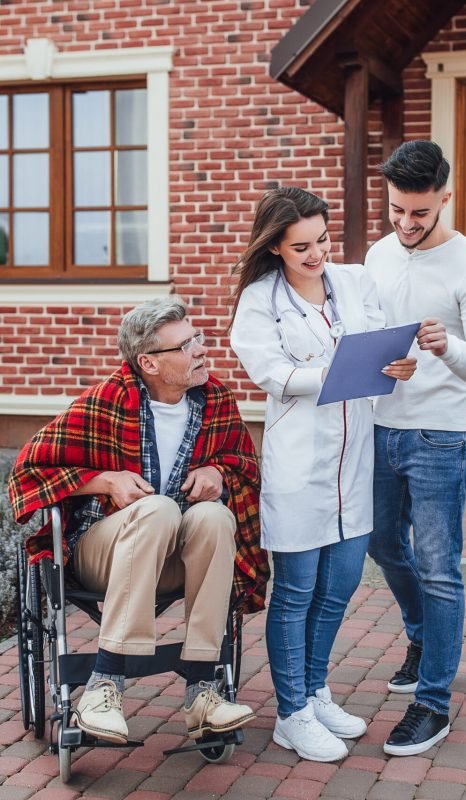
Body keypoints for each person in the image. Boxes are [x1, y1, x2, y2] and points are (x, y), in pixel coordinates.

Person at [9, 298, 269, 745]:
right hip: (103, 550)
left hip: (173, 556)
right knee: (157, 508)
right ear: (148, 362)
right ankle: (104, 685)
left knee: (212, 516)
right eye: (186, 345)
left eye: (198, 338)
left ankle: (204, 689)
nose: (202, 350)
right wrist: (103, 481)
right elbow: (28, 471)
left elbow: (245, 466)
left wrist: (218, 473)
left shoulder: (215, 399)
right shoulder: (108, 401)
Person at [229, 186, 416, 762]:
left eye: (323, 240)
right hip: (299, 467)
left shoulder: (356, 282)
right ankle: (291, 714)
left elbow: (383, 342)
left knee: (337, 591)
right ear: (277, 247)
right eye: (301, 246)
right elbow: (271, 373)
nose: (316, 254)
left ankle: (314, 691)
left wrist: (398, 364)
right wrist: (334, 371)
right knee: (296, 594)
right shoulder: (261, 299)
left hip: (355, 459)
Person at [365, 140, 466, 756]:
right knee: (377, 544)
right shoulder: (376, 254)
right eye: (396, 209)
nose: (405, 224)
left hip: (441, 438)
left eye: (419, 213)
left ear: (444, 199)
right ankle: (423, 633)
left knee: (438, 568)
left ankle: (433, 704)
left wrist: (446, 347)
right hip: (379, 426)